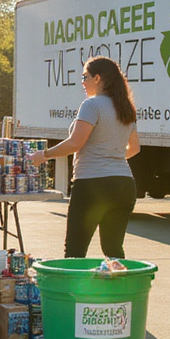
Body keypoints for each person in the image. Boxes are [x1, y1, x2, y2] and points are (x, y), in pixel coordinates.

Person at [28, 56, 140, 259]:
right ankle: (119, 290)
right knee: (113, 250)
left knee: (75, 252)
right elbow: (134, 148)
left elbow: (74, 143)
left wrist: (43, 155)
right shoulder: (126, 108)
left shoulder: (92, 105)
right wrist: (110, 157)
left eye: (85, 76)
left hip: (92, 184)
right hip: (124, 184)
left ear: (97, 78)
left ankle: (73, 292)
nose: (82, 82)